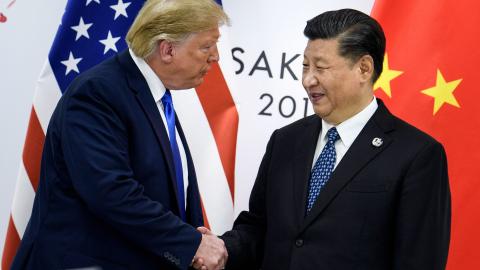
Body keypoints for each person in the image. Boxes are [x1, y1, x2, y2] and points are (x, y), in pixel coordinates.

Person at [217, 8, 451, 270]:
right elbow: (259, 229)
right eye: (305, 65)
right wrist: (220, 250)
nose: (308, 79)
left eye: (321, 67)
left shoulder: (416, 155)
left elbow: (419, 260)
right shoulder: (285, 140)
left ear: (364, 68)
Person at [11, 0, 229, 269]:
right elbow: (111, 192)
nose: (215, 56)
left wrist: (194, 240)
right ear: (168, 49)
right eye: (206, 46)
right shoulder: (97, 93)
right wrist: (189, 243)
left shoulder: (155, 98)